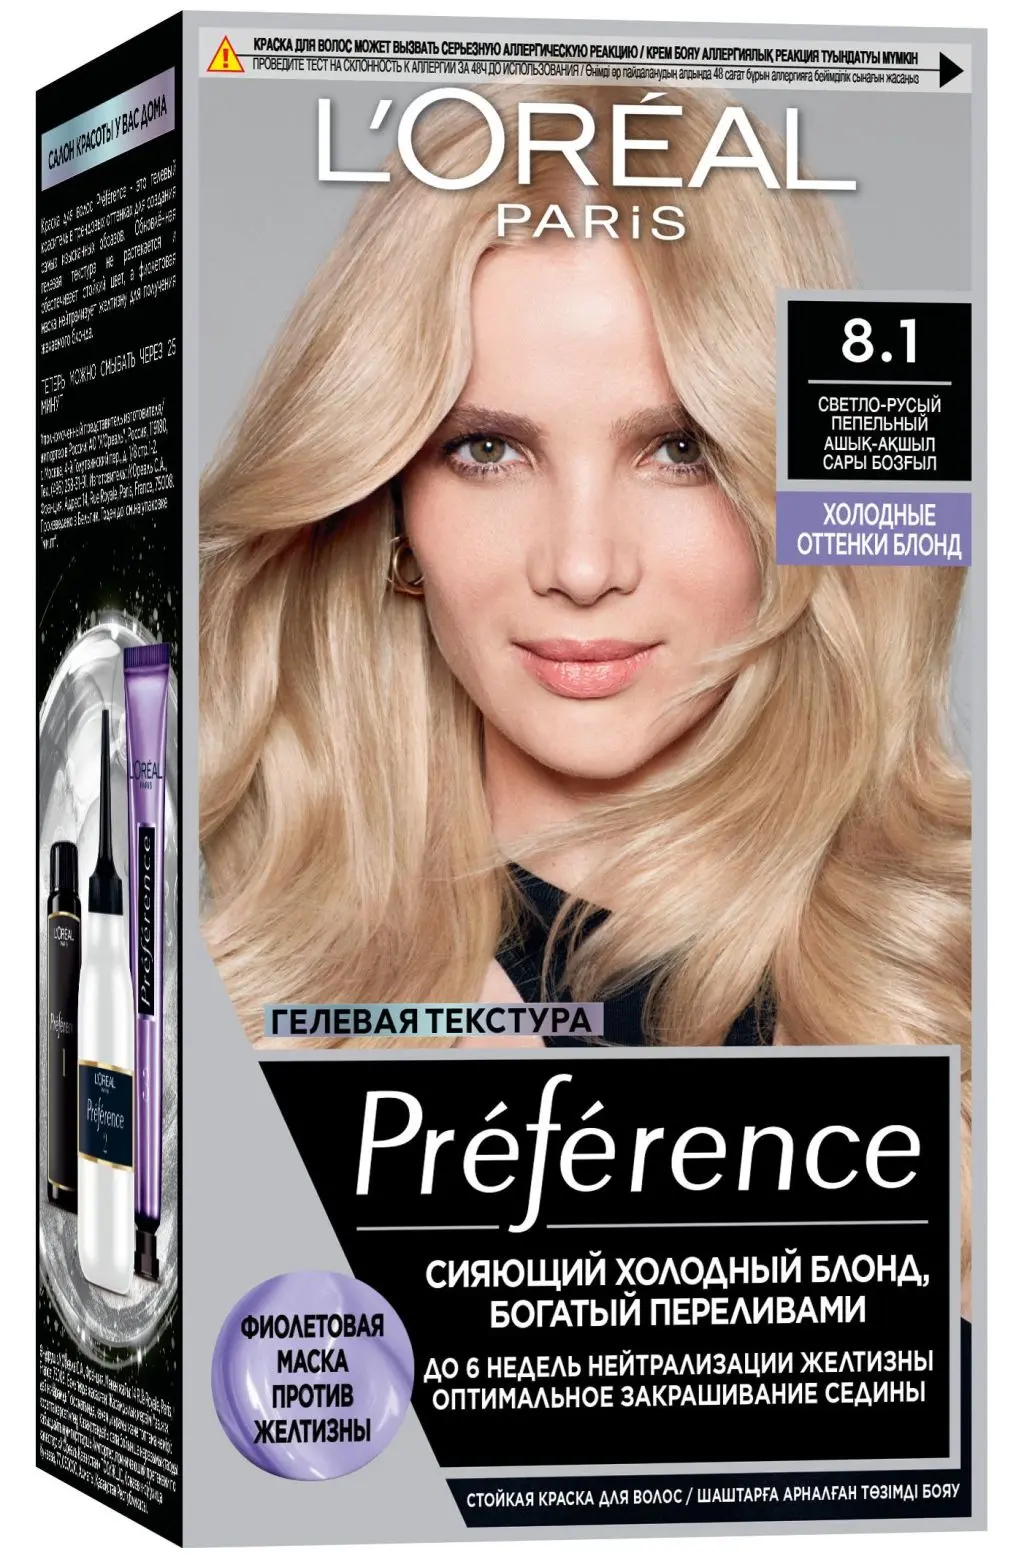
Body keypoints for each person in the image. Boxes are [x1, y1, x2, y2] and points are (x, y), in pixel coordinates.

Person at [199, 84, 970, 1294]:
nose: (581, 563)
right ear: (390, 508)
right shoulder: (237, 1007)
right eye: (487, 449)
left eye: (679, 449)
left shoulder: (952, 970)